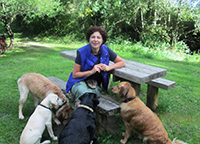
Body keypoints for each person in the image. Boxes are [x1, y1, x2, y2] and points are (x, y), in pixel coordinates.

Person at [66, 26, 125, 108]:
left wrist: (108, 67)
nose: (95, 40)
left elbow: (121, 62)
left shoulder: (106, 50)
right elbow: (75, 75)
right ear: (89, 39)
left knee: (90, 98)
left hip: (95, 85)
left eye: (98, 38)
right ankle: (80, 119)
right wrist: (91, 71)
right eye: (93, 37)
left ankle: (81, 118)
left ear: (102, 40)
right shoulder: (81, 52)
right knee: (84, 95)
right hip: (78, 82)